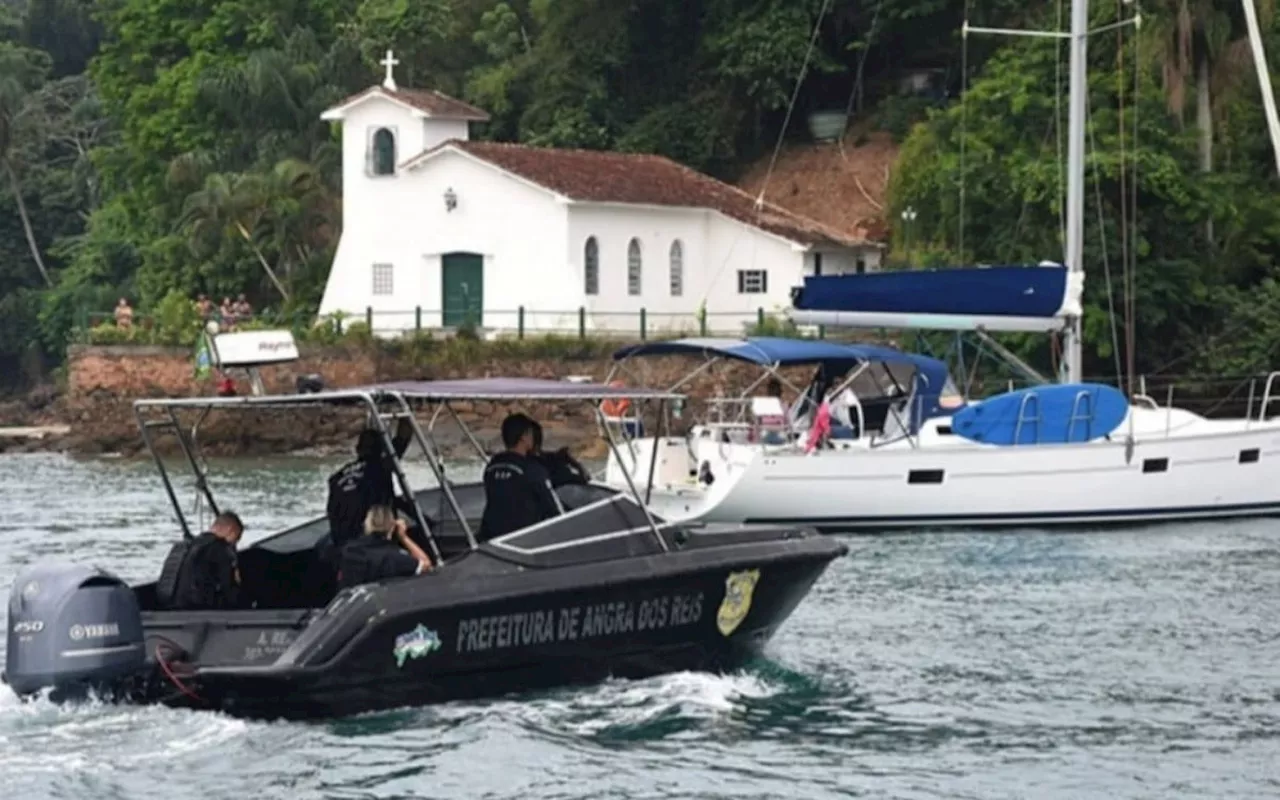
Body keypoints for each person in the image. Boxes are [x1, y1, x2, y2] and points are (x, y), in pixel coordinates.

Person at [326, 419, 414, 550]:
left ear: (357, 449)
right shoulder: (382, 467)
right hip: (371, 543)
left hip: (341, 543)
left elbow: (331, 511)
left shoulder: (336, 478)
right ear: (382, 450)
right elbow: (403, 439)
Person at [479, 413, 561, 540]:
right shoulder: (532, 469)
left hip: (491, 536)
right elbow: (555, 511)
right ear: (524, 437)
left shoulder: (492, 466)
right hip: (525, 539)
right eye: (531, 434)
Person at [156, 512, 244, 611]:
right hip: (199, 611)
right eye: (236, 538)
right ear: (230, 530)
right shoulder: (220, 550)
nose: (234, 545)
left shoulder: (182, 547)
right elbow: (229, 591)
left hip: (170, 609)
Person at [337, 505, 432, 589]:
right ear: (392, 527)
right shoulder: (396, 557)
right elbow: (426, 565)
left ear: (366, 525)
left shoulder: (349, 551)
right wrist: (403, 537)